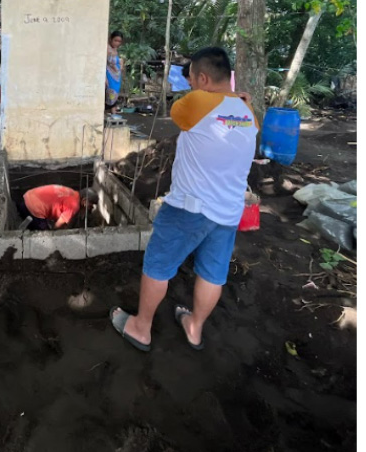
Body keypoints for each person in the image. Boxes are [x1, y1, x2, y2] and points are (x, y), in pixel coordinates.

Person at [110, 46, 258, 353]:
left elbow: (179, 113)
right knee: (212, 273)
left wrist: (197, 96)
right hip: (229, 211)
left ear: (203, 77)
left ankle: (141, 328)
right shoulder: (247, 111)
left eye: (190, 78)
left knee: (157, 265)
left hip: (190, 207)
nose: (188, 85)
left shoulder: (197, 101)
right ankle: (194, 327)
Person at [16, 186, 98, 230]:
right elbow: (57, 225)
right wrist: (55, 234)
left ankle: (21, 213)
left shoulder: (73, 193)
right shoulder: (74, 205)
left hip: (27, 198)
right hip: (33, 208)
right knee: (45, 236)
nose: (92, 207)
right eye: (91, 204)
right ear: (84, 200)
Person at [105, 31, 124, 113]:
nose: (117, 43)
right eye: (115, 40)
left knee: (114, 96)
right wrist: (104, 77)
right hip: (110, 77)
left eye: (119, 41)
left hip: (117, 78)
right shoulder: (107, 49)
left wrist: (121, 63)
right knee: (109, 95)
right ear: (110, 39)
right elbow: (103, 63)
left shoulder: (115, 50)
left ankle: (113, 115)